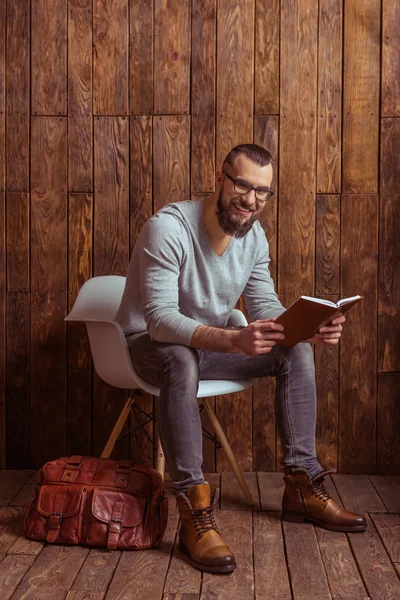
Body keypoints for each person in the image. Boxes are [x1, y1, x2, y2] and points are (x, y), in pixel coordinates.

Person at [115, 144, 367, 574]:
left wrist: (308, 327)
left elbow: (264, 304)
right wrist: (233, 340)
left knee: (295, 351)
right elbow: (158, 320)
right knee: (179, 358)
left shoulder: (253, 237)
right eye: (242, 185)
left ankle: (301, 486)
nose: (250, 200)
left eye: (262, 192)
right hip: (145, 348)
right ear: (221, 179)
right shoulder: (168, 228)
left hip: (205, 349)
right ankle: (194, 510)